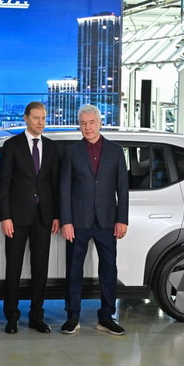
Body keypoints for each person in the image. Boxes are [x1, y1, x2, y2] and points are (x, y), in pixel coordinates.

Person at [60, 104, 129, 336]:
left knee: (109, 270)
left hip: (107, 221)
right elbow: (64, 189)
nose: (87, 127)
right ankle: (72, 316)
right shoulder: (71, 152)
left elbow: (123, 188)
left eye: (91, 123)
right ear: (79, 126)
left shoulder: (116, 151)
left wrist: (122, 219)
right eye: (83, 123)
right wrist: (66, 221)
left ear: (100, 123)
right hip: (77, 222)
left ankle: (106, 317)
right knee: (74, 270)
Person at [0, 102, 60, 334]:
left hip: (44, 217)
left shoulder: (52, 147)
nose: (41, 122)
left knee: (40, 269)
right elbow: (3, 184)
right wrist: (5, 216)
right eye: (36, 118)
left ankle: (36, 316)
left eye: (43, 118)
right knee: (13, 269)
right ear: (26, 118)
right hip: (16, 218)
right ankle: (12, 317)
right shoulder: (12, 145)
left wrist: (56, 215)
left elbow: (55, 184)